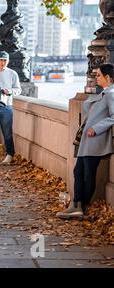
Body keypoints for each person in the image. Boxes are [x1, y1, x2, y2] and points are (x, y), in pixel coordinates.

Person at [57, 64, 114, 219]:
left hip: (96, 140)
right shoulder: (104, 93)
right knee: (79, 172)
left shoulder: (111, 94)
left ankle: (83, 206)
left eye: (99, 75)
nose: (97, 78)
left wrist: (96, 128)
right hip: (88, 141)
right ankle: (76, 205)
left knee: (88, 173)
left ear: (108, 77)